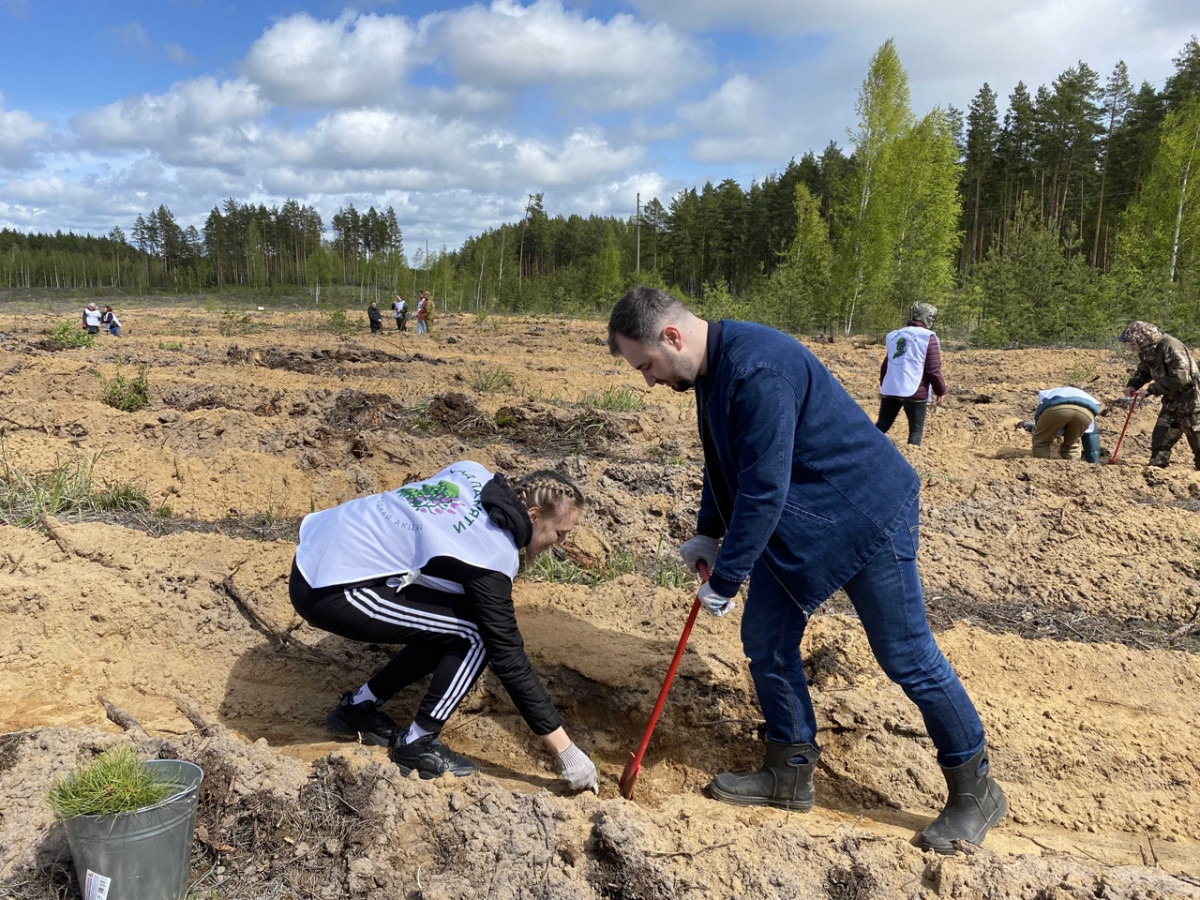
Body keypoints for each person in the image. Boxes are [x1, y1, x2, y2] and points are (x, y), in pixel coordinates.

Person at [607, 286, 1006, 854]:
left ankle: (976, 791)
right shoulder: (709, 370)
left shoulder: (758, 369)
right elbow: (726, 461)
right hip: (807, 517)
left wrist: (726, 578)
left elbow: (764, 489)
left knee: (907, 655)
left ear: (671, 337)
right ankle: (788, 771)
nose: (648, 380)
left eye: (646, 365)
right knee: (766, 639)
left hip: (867, 512)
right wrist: (709, 532)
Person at [289, 460, 598, 792]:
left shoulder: (472, 472)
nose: (561, 543)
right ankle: (417, 744)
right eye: (560, 533)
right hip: (331, 590)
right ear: (534, 516)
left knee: (458, 617)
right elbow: (508, 657)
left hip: (321, 550)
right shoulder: (493, 556)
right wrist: (567, 752)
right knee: (477, 634)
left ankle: (359, 709)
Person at [1120, 321, 1200, 469]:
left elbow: (1181, 377)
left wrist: (1151, 390)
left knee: (1198, 442)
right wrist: (1133, 385)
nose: (1130, 347)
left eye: (1132, 343)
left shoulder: (1170, 346)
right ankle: (1157, 473)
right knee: (1160, 441)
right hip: (1171, 402)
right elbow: (1144, 371)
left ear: (1143, 340)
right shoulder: (1147, 352)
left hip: (1192, 402)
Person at [876, 302, 945, 446]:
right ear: (928, 318)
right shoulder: (928, 337)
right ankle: (912, 463)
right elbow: (933, 369)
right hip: (914, 389)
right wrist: (941, 390)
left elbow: (887, 363)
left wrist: (884, 384)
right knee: (915, 431)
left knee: (881, 425)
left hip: (891, 388)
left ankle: (860, 448)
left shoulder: (894, 334)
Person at [1028, 387, 1101, 462]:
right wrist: (1094, 463)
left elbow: (1039, 416)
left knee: (1041, 442)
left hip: (1056, 408)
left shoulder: (1046, 393)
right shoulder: (1085, 397)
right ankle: (1073, 468)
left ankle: (1041, 467)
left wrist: (1046, 433)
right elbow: (1091, 436)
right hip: (1085, 412)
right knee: (1072, 445)